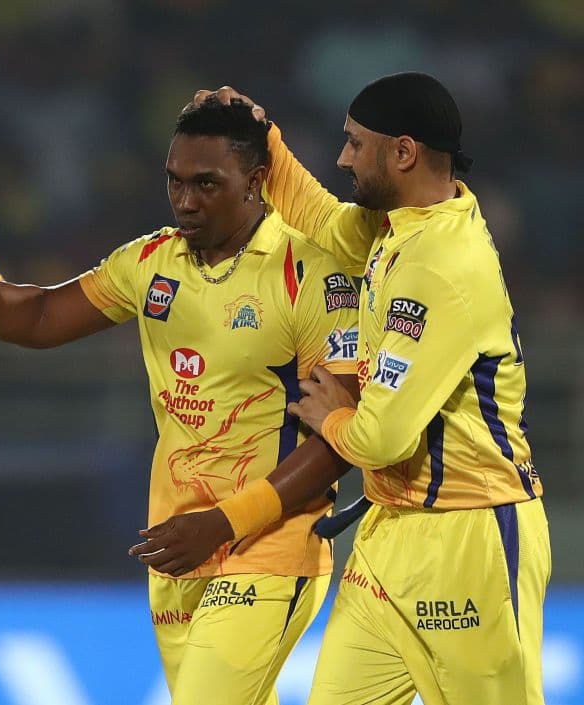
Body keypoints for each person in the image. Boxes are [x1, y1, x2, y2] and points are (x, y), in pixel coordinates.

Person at [0, 99, 361, 704]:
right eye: (174, 181)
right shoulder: (150, 261)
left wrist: (223, 523)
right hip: (177, 545)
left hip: (268, 545)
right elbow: (37, 318)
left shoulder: (313, 275)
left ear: (255, 181)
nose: (185, 201)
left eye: (206, 184)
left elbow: (340, 440)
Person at [192, 75, 551, 705]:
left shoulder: (438, 265)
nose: (343, 157)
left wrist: (334, 416)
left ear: (403, 152)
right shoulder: (405, 225)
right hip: (390, 534)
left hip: (468, 539)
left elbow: (381, 438)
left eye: (356, 143)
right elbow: (327, 225)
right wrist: (263, 138)